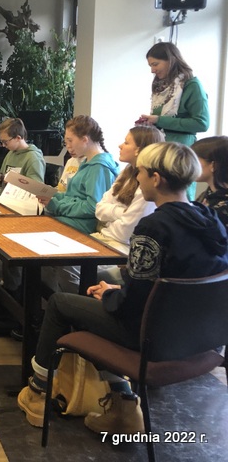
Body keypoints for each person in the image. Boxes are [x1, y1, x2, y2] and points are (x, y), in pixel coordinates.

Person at [18, 141, 228, 434]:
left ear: (157, 178)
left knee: (61, 303)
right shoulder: (211, 220)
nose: (137, 178)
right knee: (97, 300)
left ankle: (39, 392)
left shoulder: (153, 227)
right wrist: (115, 293)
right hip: (200, 340)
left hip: (152, 337)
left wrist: (110, 294)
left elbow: (132, 305)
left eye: (140, 172)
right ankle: (123, 407)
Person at [38, 115, 118, 293]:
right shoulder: (88, 163)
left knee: (37, 233)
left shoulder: (99, 167)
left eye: (70, 140)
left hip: (82, 223)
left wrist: (56, 205)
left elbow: (92, 206)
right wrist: (53, 198)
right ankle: (46, 293)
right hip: (73, 219)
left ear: (85, 139)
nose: (68, 146)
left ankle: (63, 297)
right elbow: (73, 196)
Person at [91, 125, 165, 258]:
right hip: (106, 238)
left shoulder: (148, 184)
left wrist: (106, 225)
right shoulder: (127, 172)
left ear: (139, 150)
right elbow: (99, 208)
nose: (120, 146)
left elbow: (125, 233)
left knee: (71, 264)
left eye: (126, 143)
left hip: (124, 248)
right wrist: (123, 212)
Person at [0, 117, 46, 295]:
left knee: (8, 240)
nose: (3, 145)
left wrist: (12, 181)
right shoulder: (11, 153)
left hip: (23, 208)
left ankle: (14, 287)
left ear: (18, 137)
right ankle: (8, 281)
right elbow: (3, 176)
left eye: (5, 142)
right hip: (7, 201)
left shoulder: (33, 157)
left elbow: (37, 187)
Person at [137, 42, 209, 148]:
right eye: (150, 66)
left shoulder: (192, 86)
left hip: (181, 150)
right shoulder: (161, 87)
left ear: (171, 60)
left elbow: (202, 124)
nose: (152, 70)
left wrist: (159, 120)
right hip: (160, 147)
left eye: (155, 64)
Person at [191, 135, 228, 230]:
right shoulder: (208, 194)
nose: (190, 166)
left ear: (213, 165)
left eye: (194, 161)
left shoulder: (223, 209)